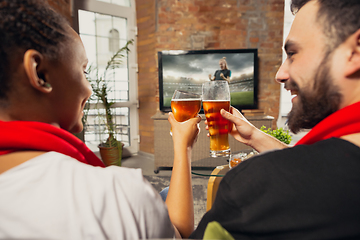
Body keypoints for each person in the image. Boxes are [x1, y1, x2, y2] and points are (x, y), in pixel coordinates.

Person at [0, 0, 200, 239]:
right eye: (83, 71)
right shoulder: (118, 196)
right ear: (40, 73)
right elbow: (180, 232)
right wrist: (183, 146)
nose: (89, 89)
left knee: (166, 192)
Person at [188, 0, 360, 238]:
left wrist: (181, 147)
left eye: (292, 54)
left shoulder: (256, 185)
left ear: (356, 51)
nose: (280, 75)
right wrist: (255, 136)